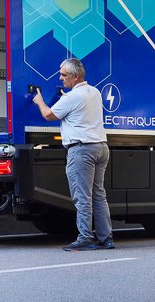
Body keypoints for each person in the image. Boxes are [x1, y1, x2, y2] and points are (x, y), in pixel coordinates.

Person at [31, 57, 114, 251]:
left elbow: (48, 115)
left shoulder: (72, 98)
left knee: (82, 196)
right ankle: (106, 238)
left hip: (82, 150)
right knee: (98, 195)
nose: (60, 78)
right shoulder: (94, 92)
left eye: (64, 75)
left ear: (75, 77)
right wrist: (64, 96)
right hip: (100, 147)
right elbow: (79, 109)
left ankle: (85, 238)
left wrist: (39, 101)